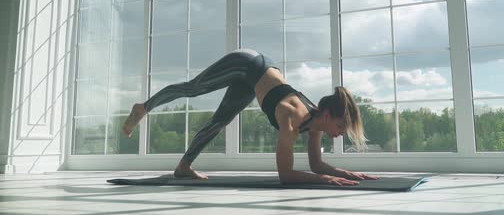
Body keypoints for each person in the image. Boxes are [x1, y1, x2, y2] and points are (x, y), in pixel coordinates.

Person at [122, 48, 379, 185]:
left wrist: (346, 173)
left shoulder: (316, 124)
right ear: (326, 114)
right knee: (194, 88)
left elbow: (316, 166)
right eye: (341, 126)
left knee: (220, 121)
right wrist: (325, 179)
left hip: (255, 81)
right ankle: (143, 108)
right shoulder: (291, 117)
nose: (341, 133)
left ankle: (183, 167)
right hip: (247, 63)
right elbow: (286, 175)